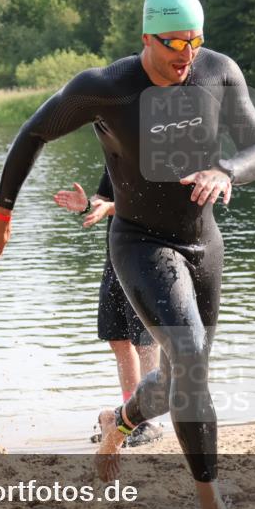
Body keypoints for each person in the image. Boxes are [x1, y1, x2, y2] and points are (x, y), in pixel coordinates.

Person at [0, 0, 255, 509]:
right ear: (146, 38)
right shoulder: (104, 88)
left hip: (203, 243)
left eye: (195, 40)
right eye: (174, 42)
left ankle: (121, 422)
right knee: (186, 357)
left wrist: (225, 171)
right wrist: (1, 211)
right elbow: (33, 132)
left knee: (184, 376)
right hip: (139, 241)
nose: (187, 55)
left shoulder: (218, 70)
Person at [52, 168, 162, 447]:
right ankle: (131, 416)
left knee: (146, 339)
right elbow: (101, 198)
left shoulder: (158, 151)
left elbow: (157, 203)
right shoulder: (114, 149)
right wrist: (88, 205)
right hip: (115, 255)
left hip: (148, 255)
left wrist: (111, 207)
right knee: (118, 339)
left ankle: (150, 419)